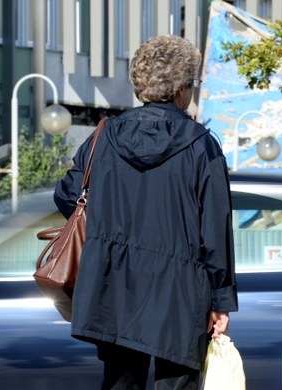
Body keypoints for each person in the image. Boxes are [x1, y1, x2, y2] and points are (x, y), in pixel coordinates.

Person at [54, 35, 237, 389]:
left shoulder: (103, 138)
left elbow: (67, 196)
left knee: (120, 382)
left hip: (112, 286)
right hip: (179, 293)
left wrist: (107, 223)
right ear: (183, 87)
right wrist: (221, 301)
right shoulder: (202, 146)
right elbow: (216, 230)